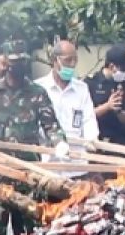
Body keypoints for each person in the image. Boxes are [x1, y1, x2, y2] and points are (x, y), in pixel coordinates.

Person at [0, 40, 67, 235]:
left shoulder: (37, 93)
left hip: (30, 174)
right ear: (6, 61)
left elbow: (51, 125)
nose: (18, 66)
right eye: (14, 61)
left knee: (31, 231)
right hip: (1, 172)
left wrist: (59, 143)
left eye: (23, 61)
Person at [36, 38, 100, 179]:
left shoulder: (82, 89)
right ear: (54, 60)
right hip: (49, 167)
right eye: (67, 60)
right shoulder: (39, 88)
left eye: (75, 60)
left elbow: (89, 120)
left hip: (77, 166)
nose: (72, 65)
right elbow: (36, 124)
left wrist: (91, 139)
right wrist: (56, 142)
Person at [87, 45, 125, 147]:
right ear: (111, 66)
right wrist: (107, 106)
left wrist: (118, 110)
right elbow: (85, 116)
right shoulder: (90, 83)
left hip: (124, 144)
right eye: (123, 69)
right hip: (99, 144)